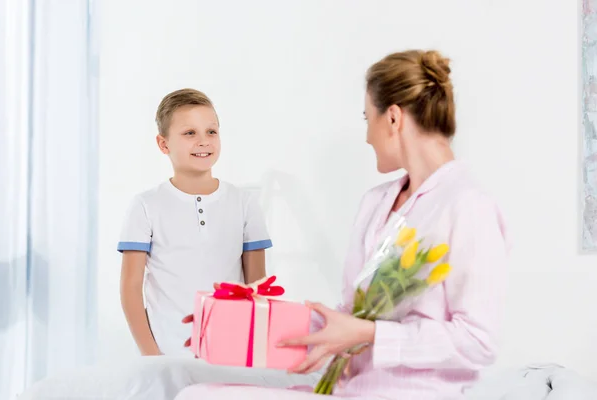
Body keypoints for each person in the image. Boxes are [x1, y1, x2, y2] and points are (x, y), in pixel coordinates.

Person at [174, 50, 509, 400]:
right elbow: (346, 321)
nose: (367, 136)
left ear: (393, 118)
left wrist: (373, 335)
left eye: (368, 119)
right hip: (348, 389)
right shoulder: (376, 202)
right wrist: (239, 324)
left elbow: (478, 341)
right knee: (196, 390)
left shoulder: (467, 206)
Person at [118, 89, 273, 356]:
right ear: (163, 144)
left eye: (211, 132)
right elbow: (130, 288)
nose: (204, 141)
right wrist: (152, 356)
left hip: (230, 351)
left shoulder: (244, 203)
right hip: (167, 353)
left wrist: (254, 351)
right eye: (190, 133)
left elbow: (257, 287)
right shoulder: (145, 206)